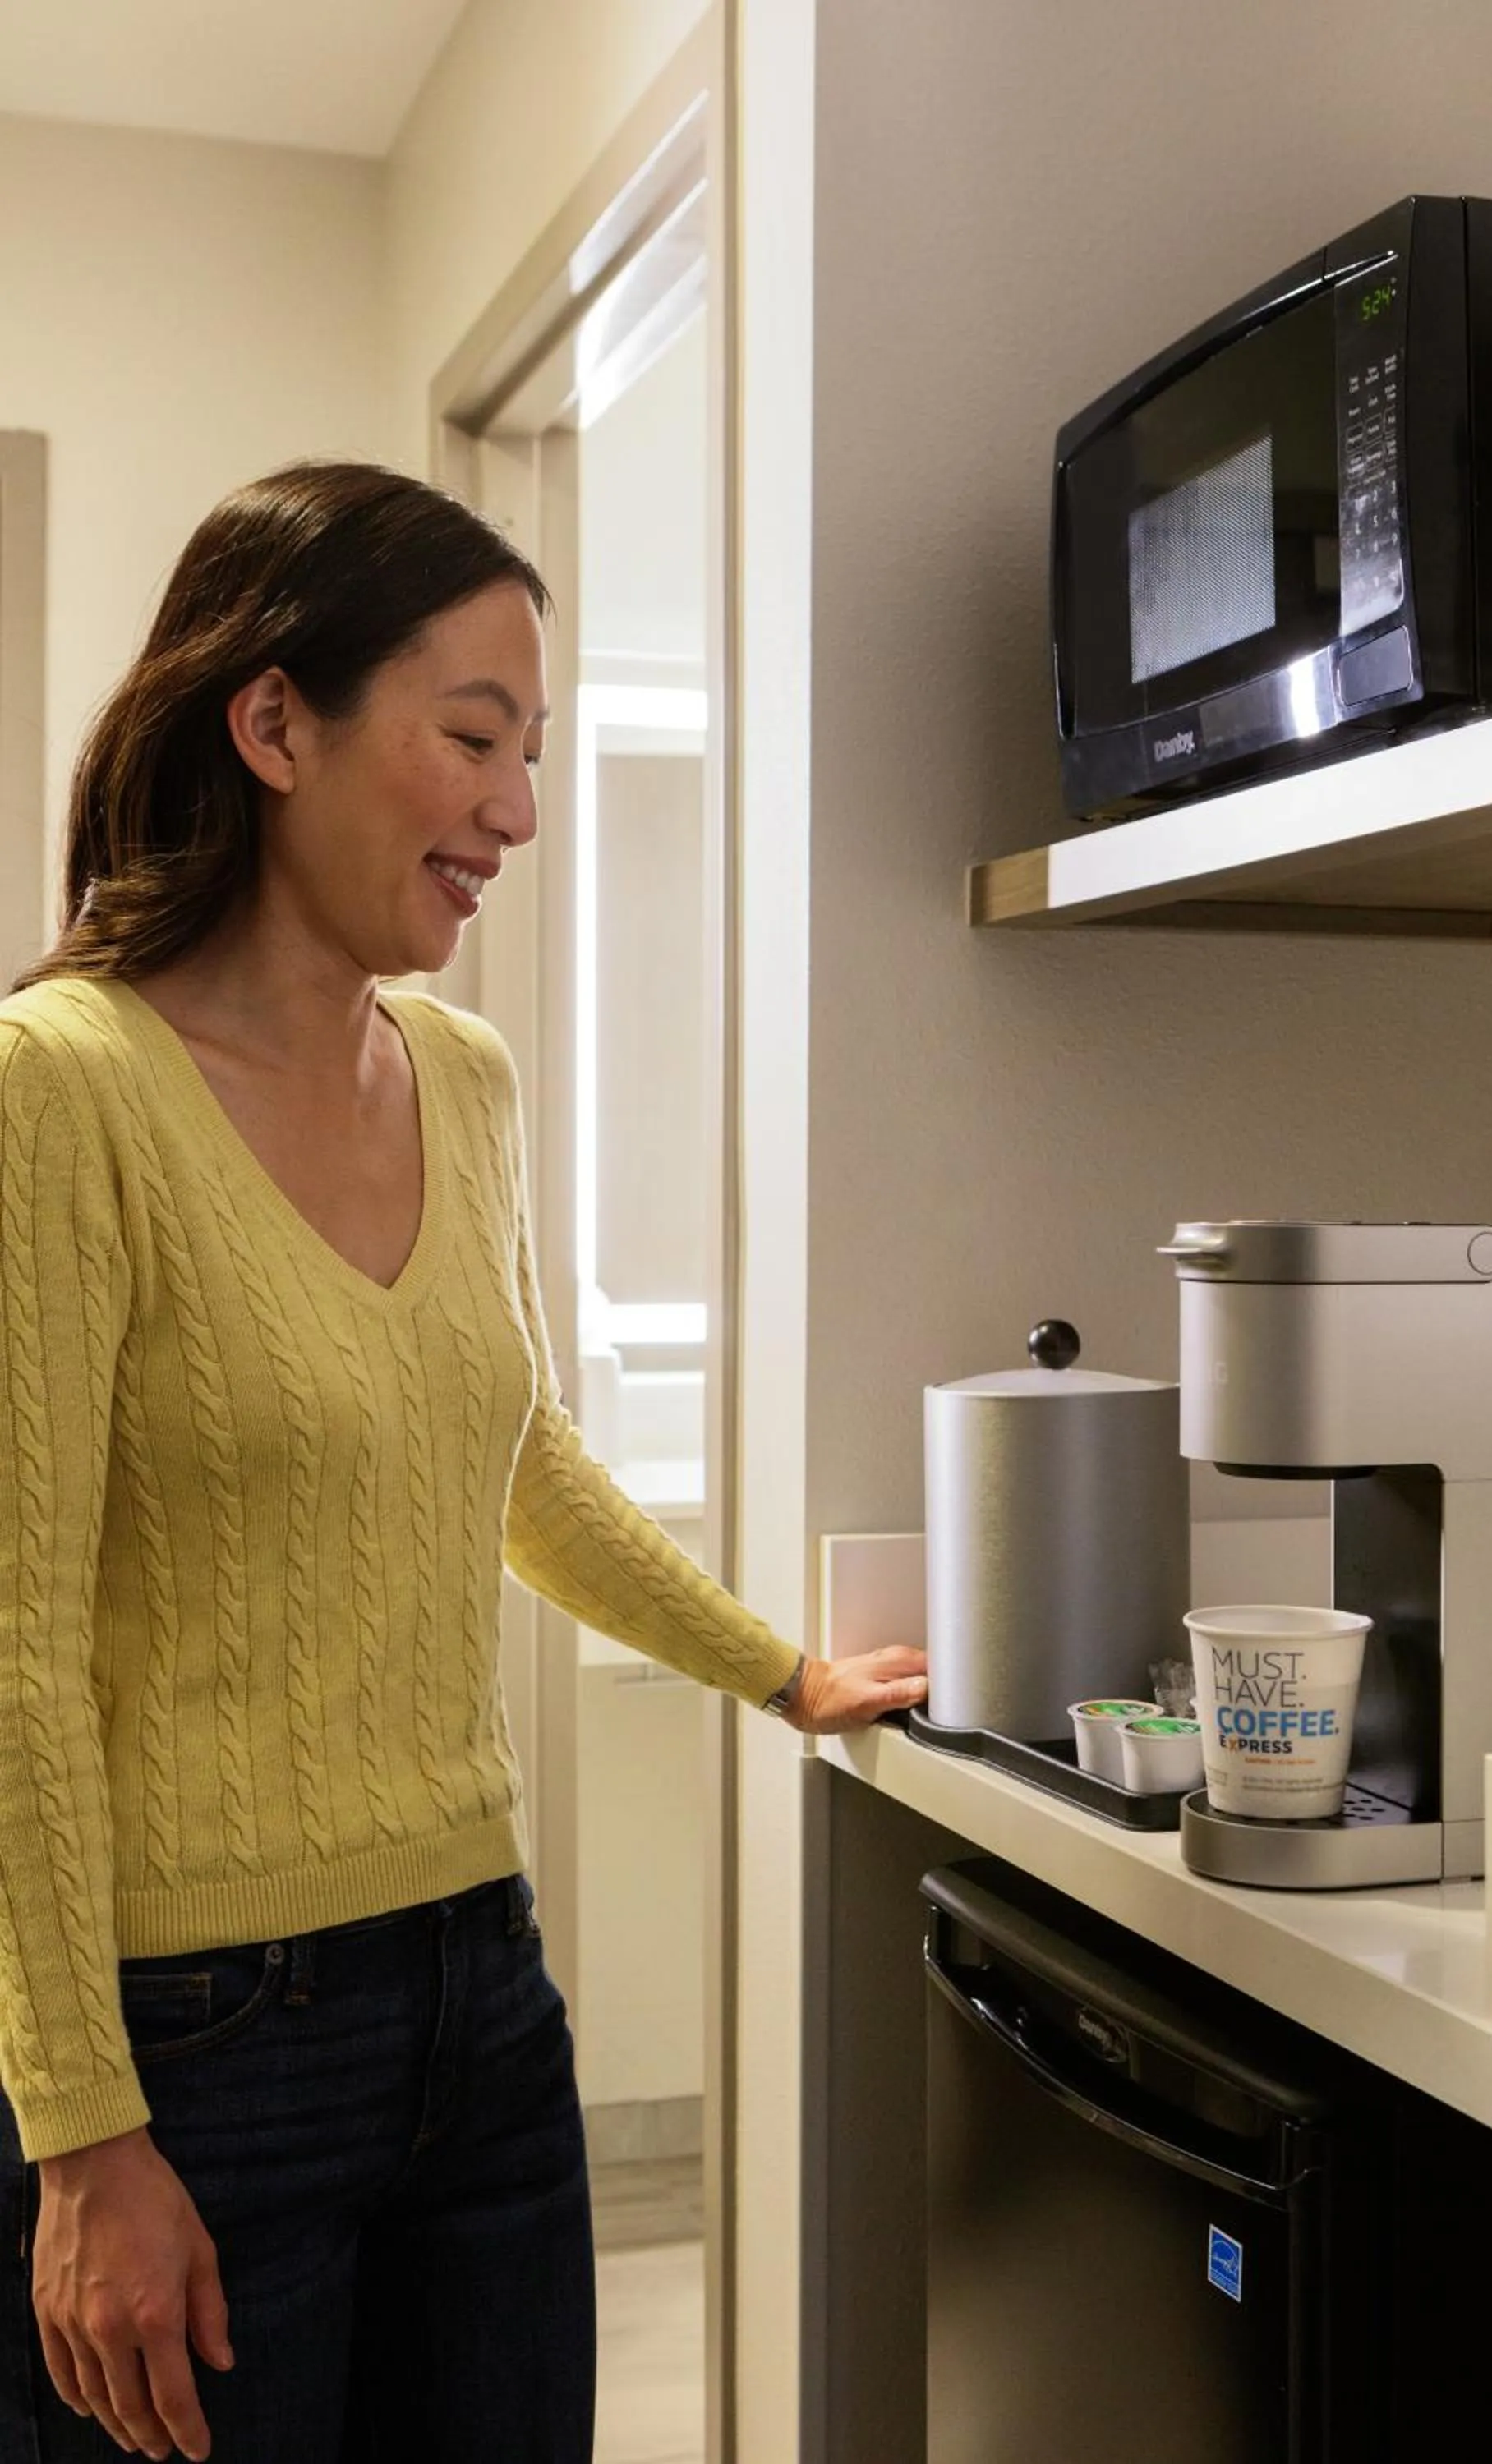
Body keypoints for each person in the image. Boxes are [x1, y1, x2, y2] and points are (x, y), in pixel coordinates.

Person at [0, 462, 927, 2464]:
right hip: (191, 2051)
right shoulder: (60, 1091)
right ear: (273, 725)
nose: (518, 810)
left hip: (480, 1998)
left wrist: (776, 1672)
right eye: (473, 739)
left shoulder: (466, 1079)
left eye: (535, 752)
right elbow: (13, 1660)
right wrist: (80, 2138)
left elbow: (514, 1461)